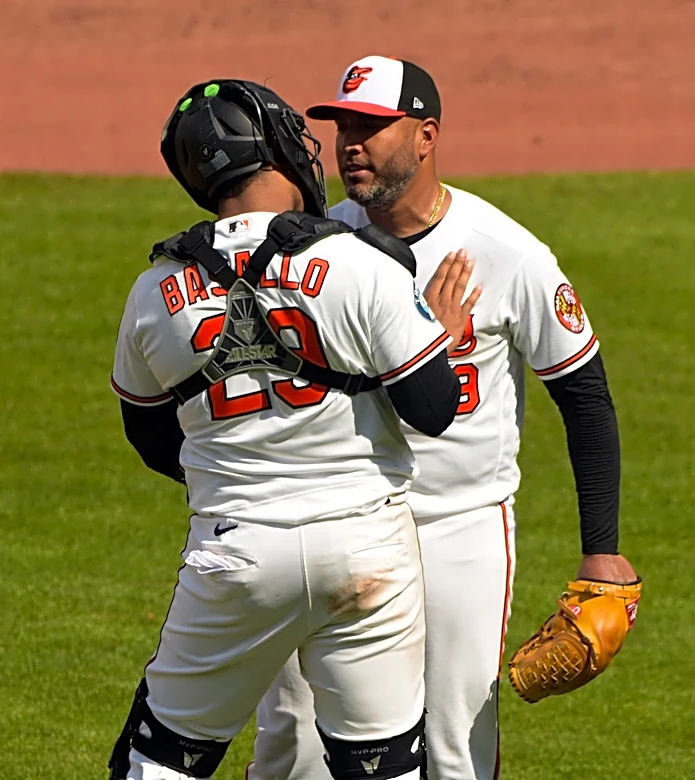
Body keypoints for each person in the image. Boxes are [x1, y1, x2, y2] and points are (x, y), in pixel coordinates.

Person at [249, 55, 641, 780]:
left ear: (426, 136)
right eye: (342, 127)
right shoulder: (312, 245)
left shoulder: (509, 254)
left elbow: (585, 395)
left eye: (371, 127)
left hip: (458, 526)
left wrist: (602, 551)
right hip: (342, 518)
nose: (349, 144)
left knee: (456, 742)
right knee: (294, 739)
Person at [106, 78, 477, 780]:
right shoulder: (360, 265)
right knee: (384, 768)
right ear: (272, 148)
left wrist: (240, 456)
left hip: (235, 553)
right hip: (368, 554)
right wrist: (438, 334)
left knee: (160, 758)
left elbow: (152, 439)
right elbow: (433, 411)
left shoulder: (154, 289)